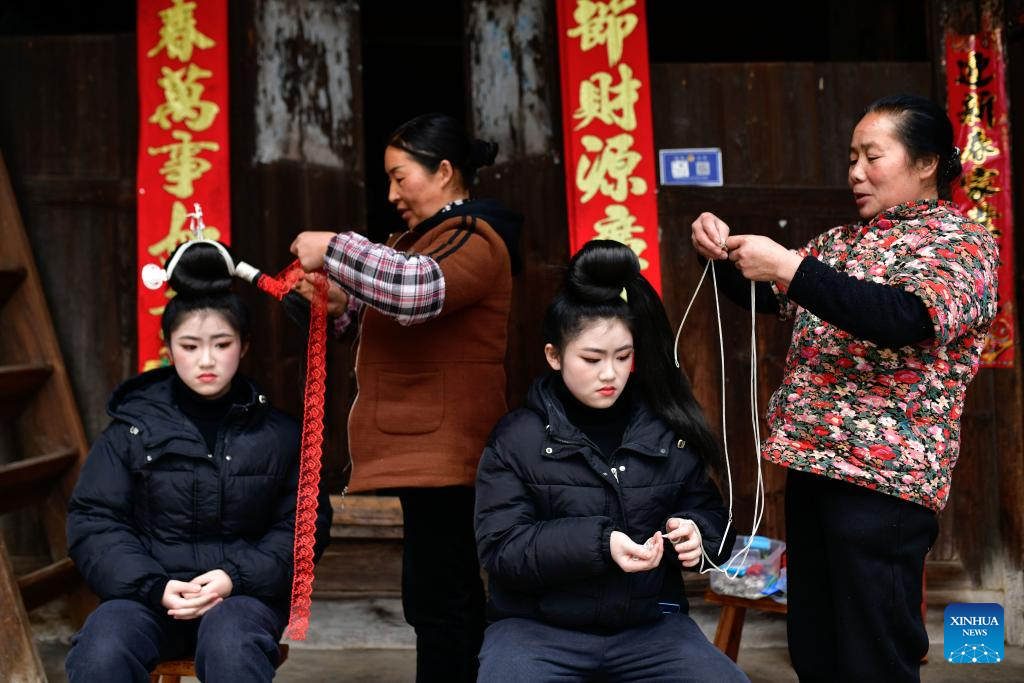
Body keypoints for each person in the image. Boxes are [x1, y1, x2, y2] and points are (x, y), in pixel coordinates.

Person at [690, 94, 999, 682]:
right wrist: (720, 252)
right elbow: (772, 292)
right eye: (851, 157)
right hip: (812, 467)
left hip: (884, 484)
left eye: (872, 156)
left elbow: (907, 317)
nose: (855, 172)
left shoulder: (962, 243)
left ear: (927, 162)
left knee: (872, 658)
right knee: (816, 648)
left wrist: (788, 267)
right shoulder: (841, 244)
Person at [289, 112, 523, 682]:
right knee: (435, 597)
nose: (392, 194)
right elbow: (389, 315)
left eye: (400, 177)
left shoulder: (474, 235)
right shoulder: (427, 241)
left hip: (449, 452)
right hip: (427, 452)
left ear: (444, 171)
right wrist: (343, 308)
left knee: (442, 601)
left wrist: (336, 247)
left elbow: (415, 291)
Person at [473, 241, 749, 682]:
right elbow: (502, 549)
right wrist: (601, 544)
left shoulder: (666, 429)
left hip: (650, 627)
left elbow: (713, 516)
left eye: (623, 357)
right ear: (554, 355)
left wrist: (700, 535)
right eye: (592, 358)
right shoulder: (516, 438)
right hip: (536, 630)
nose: (610, 374)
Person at [65, 241, 332, 683]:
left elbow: (303, 526)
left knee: (233, 646)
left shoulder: (281, 436)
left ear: (244, 346)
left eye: (221, 343)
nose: (206, 360)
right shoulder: (131, 429)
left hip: (242, 598)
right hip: (149, 597)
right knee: (102, 649)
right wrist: (152, 586)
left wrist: (233, 577)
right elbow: (95, 519)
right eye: (190, 345)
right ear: (169, 348)